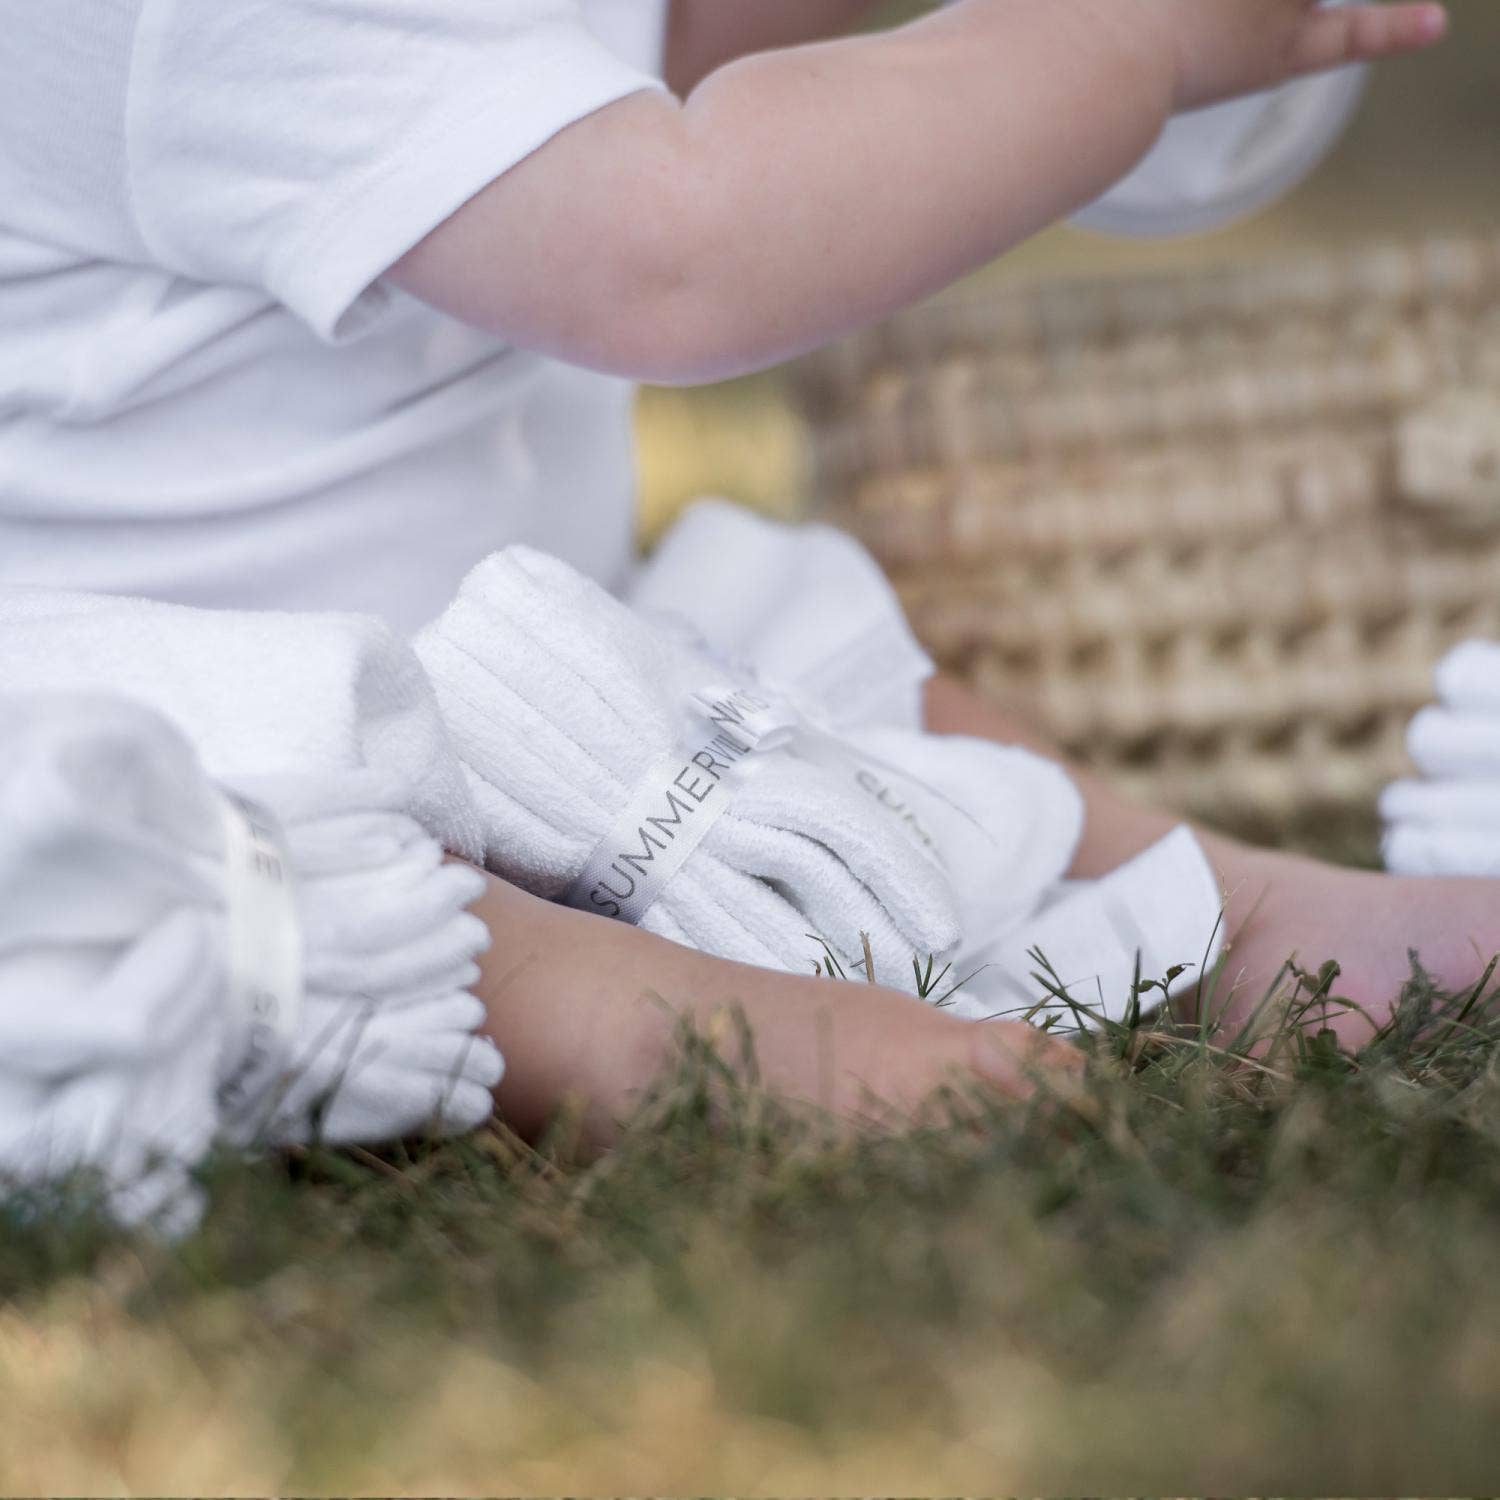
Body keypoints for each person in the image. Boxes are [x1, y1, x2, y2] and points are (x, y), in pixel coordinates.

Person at [0, 0, 1481, 1143]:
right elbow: (674, 246)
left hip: (561, 665)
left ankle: (1225, 907)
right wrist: (1125, 43)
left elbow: (656, 44)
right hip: (227, 726)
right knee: (278, 866)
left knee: (812, 657)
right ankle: (677, 1031)